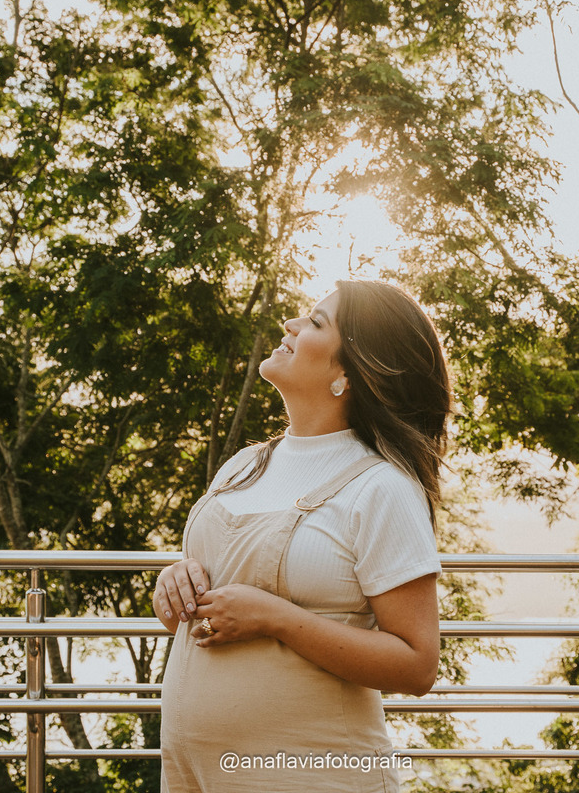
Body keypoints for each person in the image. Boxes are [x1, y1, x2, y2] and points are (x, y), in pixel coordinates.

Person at [153, 279, 450, 792]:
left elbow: (417, 666)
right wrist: (175, 586)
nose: (290, 325)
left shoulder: (382, 487)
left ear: (348, 373)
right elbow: (216, 602)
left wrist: (276, 618)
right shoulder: (245, 465)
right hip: (193, 775)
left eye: (315, 322)